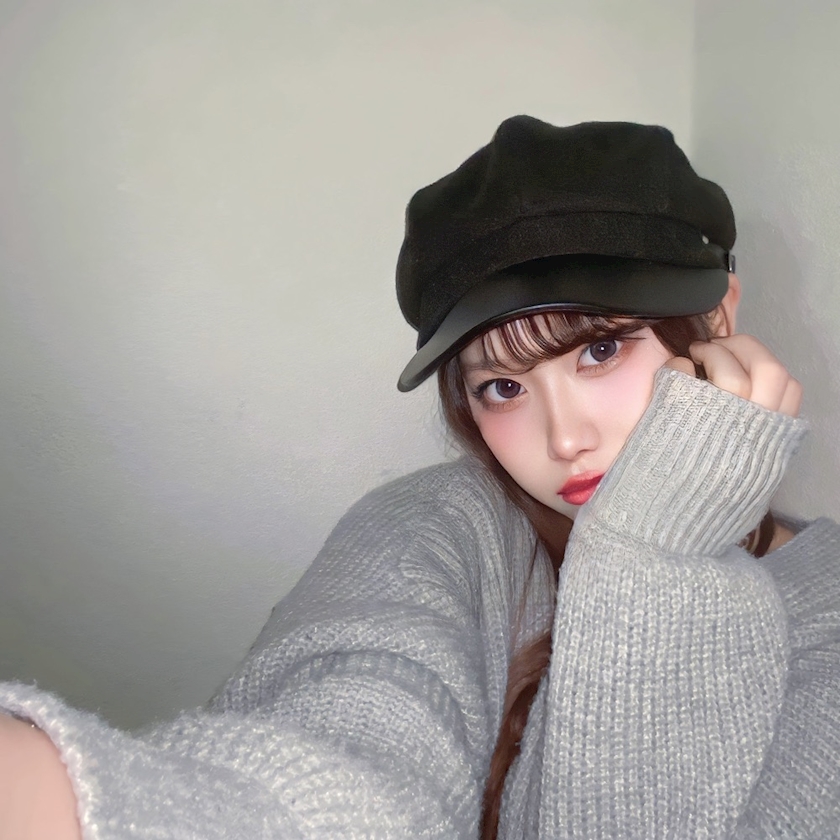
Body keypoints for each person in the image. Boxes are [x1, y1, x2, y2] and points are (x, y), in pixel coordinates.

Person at [1, 115, 838, 839]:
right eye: (502, 387)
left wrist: (658, 553)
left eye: (600, 348)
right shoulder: (436, 524)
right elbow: (359, 722)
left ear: (717, 315)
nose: (564, 439)